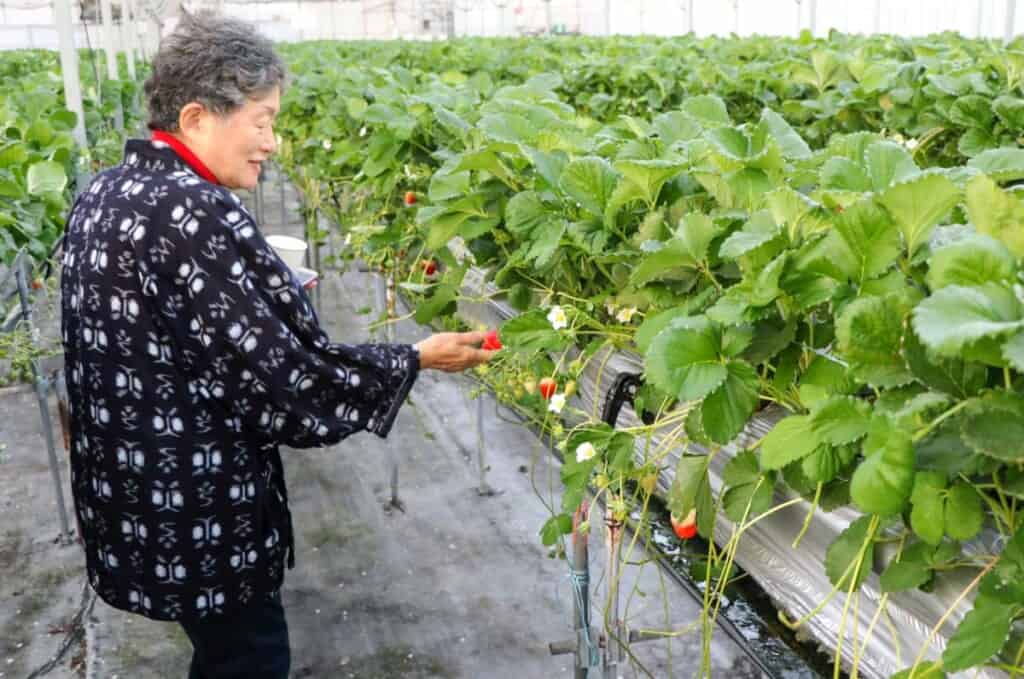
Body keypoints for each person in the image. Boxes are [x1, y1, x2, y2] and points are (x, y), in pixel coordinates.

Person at [59, 11, 493, 678]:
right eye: (261, 121)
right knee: (249, 657)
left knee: (221, 652)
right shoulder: (193, 212)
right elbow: (286, 381)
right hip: (198, 509)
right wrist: (415, 357)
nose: (273, 141)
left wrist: (260, 296)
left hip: (132, 495)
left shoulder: (108, 192)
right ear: (198, 118)